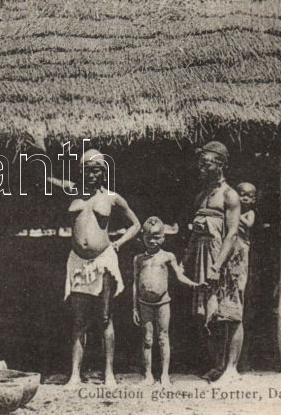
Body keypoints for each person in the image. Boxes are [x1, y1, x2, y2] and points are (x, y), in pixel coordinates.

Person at [48, 149, 141, 387]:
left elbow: (136, 224)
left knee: (104, 316)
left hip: (103, 260)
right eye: (87, 169)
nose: (92, 174)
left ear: (103, 172)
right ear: (81, 171)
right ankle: (75, 375)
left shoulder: (111, 197)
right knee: (78, 320)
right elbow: (47, 177)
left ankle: (109, 373)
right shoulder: (72, 192)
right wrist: (38, 151)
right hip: (77, 261)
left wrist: (119, 242)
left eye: (97, 169)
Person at [183, 141, 242, 384]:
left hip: (222, 260)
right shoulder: (201, 196)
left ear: (220, 164)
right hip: (201, 260)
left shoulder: (230, 195)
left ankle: (231, 368)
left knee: (230, 313)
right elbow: (195, 234)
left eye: (206, 164)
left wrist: (218, 266)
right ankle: (217, 365)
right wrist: (185, 260)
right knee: (208, 314)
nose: (201, 168)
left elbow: (232, 234)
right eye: (200, 164)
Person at [133, 216, 207, 386]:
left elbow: (180, 276)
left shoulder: (167, 256)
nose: (152, 241)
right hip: (144, 304)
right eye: (148, 237)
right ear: (142, 237)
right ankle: (148, 375)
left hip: (163, 303)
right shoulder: (139, 259)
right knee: (147, 339)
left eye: (157, 237)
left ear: (163, 238)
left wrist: (195, 285)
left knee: (163, 337)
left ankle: (165, 374)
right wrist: (134, 307)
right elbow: (135, 284)